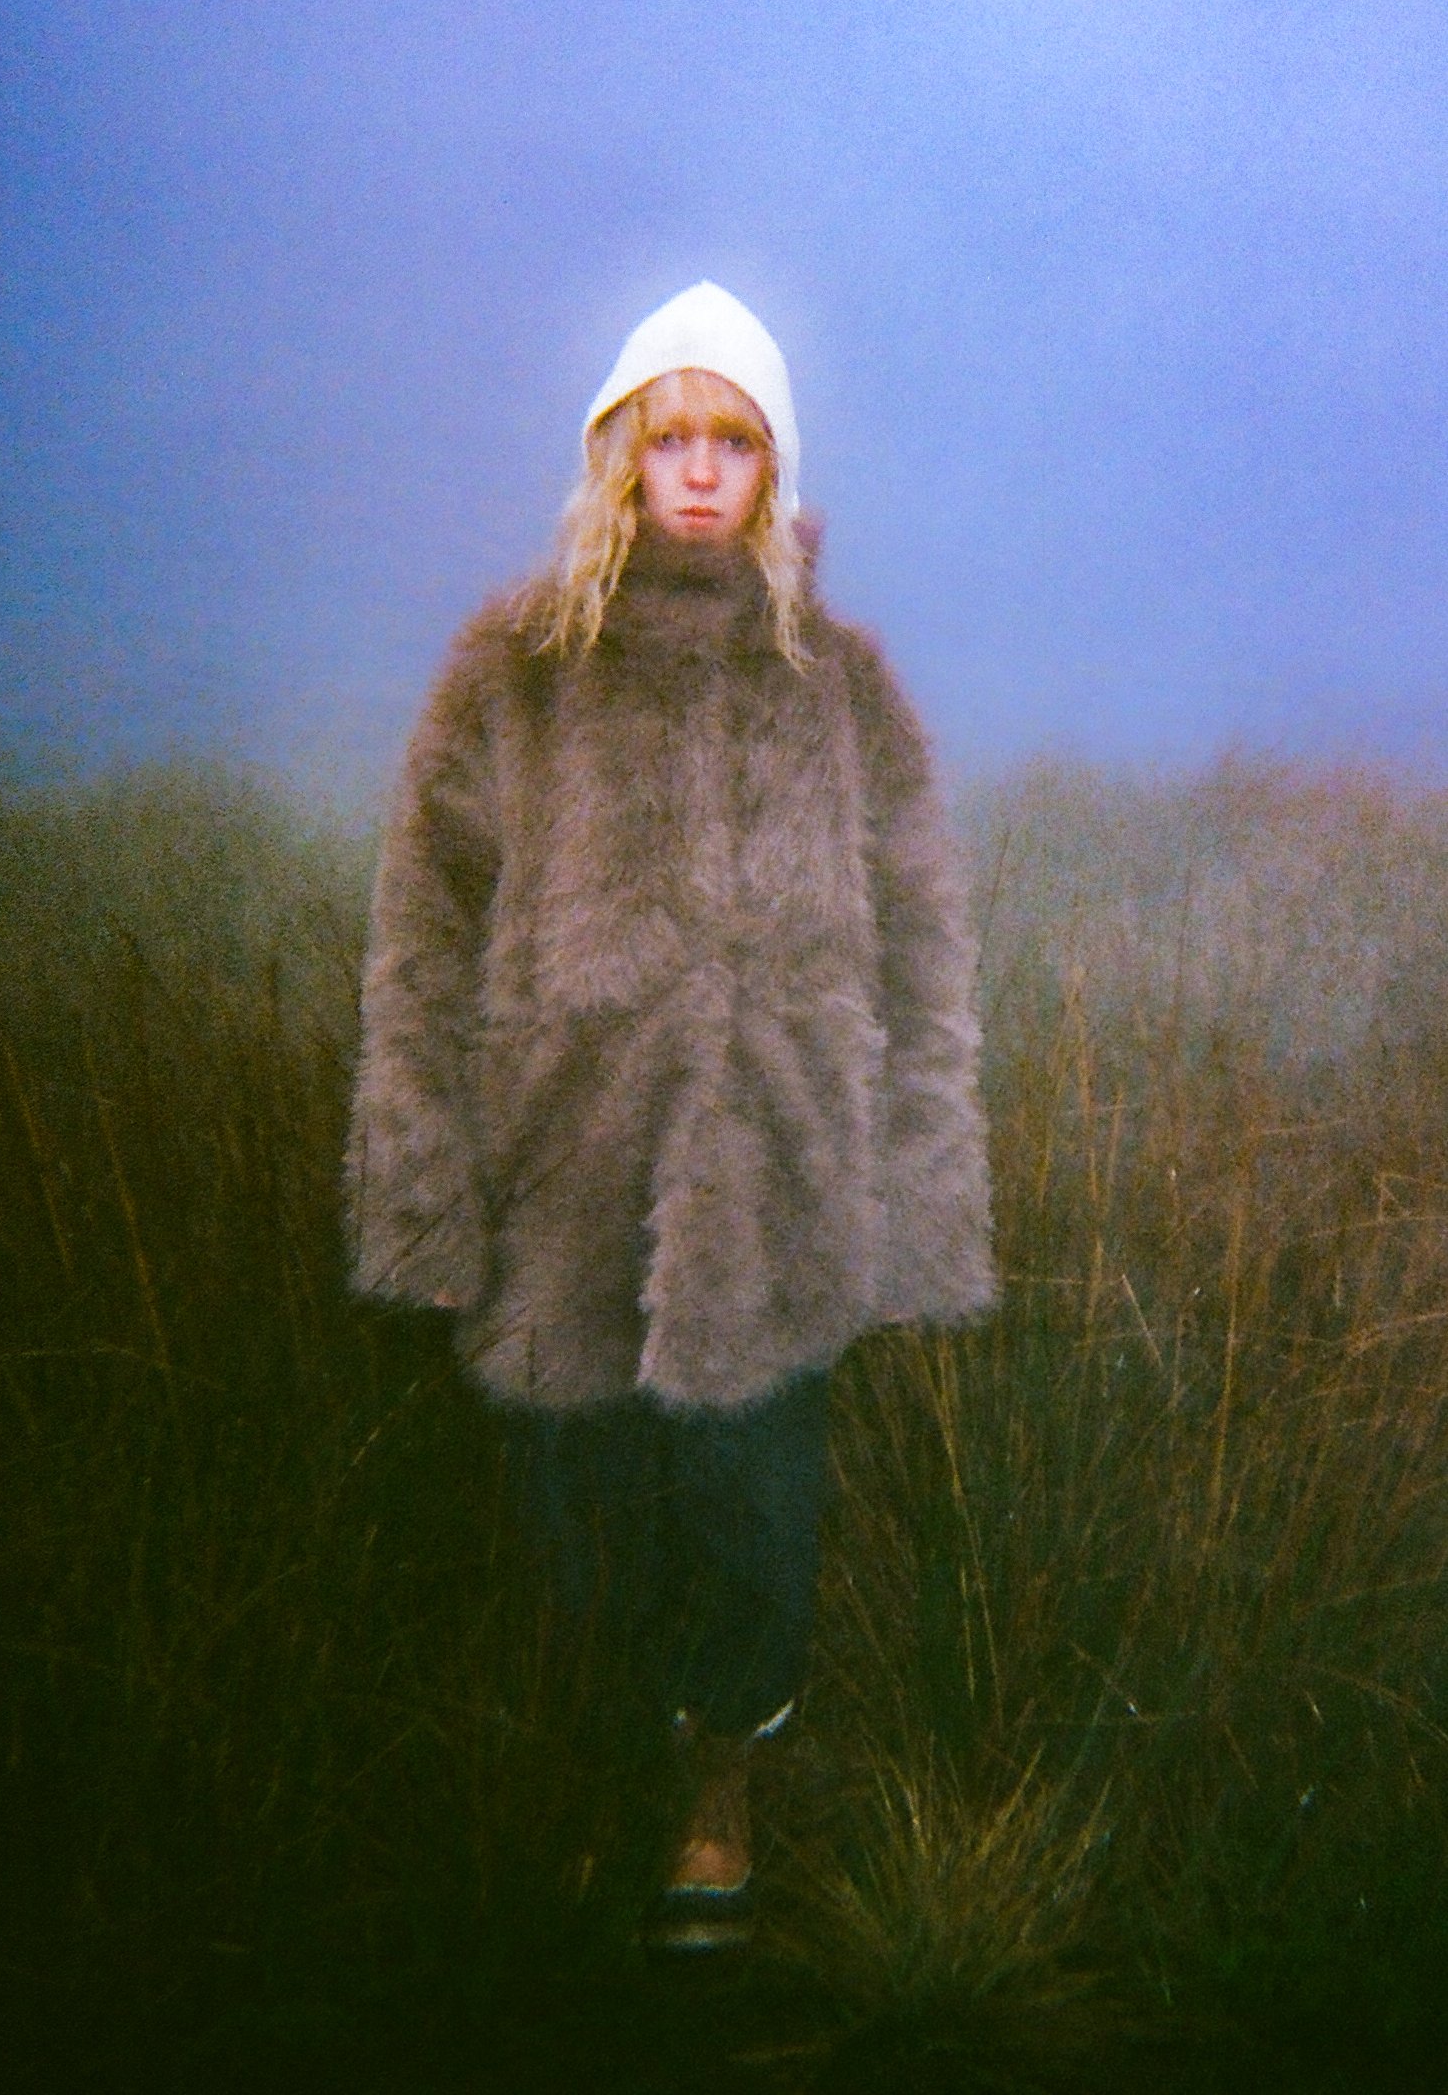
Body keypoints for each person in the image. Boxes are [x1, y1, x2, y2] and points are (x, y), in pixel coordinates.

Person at [346, 280, 994, 1949]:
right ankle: (605, 1779)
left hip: (777, 1200)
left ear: (775, 468)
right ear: (617, 458)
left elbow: (924, 962)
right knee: (579, 1539)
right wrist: (424, 1191)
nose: (699, 470)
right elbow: (420, 945)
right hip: (552, 1188)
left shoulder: (841, 686)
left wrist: (914, 1202)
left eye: (734, 441)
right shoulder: (516, 670)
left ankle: (719, 1788)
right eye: (669, 438)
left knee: (754, 1523)